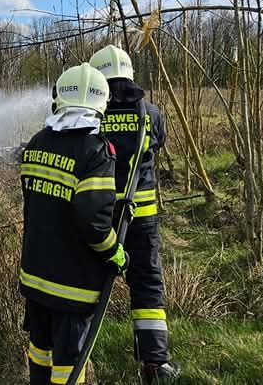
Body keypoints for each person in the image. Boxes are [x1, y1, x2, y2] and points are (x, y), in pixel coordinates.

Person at [19, 63, 127, 385]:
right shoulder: (97, 152)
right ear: (101, 104)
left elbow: (32, 203)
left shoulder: (36, 143)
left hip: (35, 276)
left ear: (59, 99)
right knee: (69, 362)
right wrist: (114, 252)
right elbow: (93, 222)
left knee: (40, 349)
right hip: (72, 286)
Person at [89, 44, 181, 383]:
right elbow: (157, 144)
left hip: (98, 216)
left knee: (87, 281)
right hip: (142, 218)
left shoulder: (93, 112)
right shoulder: (151, 114)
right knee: (146, 285)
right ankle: (155, 364)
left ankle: (78, 358)